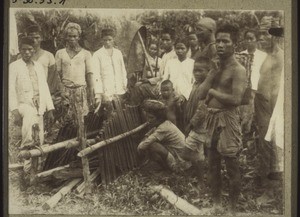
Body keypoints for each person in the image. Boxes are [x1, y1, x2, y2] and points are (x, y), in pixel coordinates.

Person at [202, 22, 246, 214]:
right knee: (212, 164)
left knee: (231, 166)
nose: (220, 45)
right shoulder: (216, 68)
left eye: (225, 41)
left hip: (228, 120)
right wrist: (211, 74)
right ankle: (217, 205)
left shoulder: (238, 70)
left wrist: (213, 91)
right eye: (218, 41)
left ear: (234, 44)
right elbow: (201, 95)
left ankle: (233, 210)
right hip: (211, 119)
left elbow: (236, 99)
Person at [9, 36, 55, 184]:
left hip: (38, 106)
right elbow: (10, 89)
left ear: (34, 50)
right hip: (24, 105)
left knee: (39, 138)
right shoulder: (14, 66)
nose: (27, 52)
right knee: (28, 134)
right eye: (24, 50)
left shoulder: (38, 66)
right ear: (20, 51)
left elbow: (45, 88)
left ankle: (37, 172)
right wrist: (15, 110)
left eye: (30, 49)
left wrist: (50, 108)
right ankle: (26, 170)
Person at [254, 19, 284, 202]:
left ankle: (271, 192)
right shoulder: (268, 55)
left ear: (275, 35)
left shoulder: (279, 57)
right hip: (262, 107)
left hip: (271, 110)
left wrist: (274, 119)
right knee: (264, 147)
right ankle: (266, 183)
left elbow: (278, 91)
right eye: (260, 35)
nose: (261, 39)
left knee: (271, 148)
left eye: (266, 34)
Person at [137, 100, 203, 173]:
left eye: (151, 118)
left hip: (182, 165)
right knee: (152, 143)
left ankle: (169, 169)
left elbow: (142, 146)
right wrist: (146, 136)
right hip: (185, 161)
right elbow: (150, 133)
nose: (148, 120)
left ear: (159, 118)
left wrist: (140, 152)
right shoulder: (165, 124)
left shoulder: (163, 129)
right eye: (148, 117)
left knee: (153, 145)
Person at [55, 22, 99, 126]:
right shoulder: (60, 53)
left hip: (81, 91)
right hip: (66, 91)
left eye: (74, 36)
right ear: (66, 37)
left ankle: (80, 139)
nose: (72, 39)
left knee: (81, 120)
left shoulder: (86, 54)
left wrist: (91, 92)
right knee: (66, 120)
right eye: (69, 36)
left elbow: (89, 74)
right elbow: (57, 74)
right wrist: (61, 90)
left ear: (78, 37)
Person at [238, 29, 267, 135]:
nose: (249, 41)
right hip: (244, 90)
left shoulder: (263, 56)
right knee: (244, 116)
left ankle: (253, 142)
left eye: (251, 38)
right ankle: (243, 139)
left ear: (256, 40)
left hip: (258, 90)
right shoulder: (240, 55)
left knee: (256, 117)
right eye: (247, 38)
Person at [93, 28, 128, 102]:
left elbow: (123, 70)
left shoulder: (118, 53)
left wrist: (124, 85)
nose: (107, 42)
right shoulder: (97, 54)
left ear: (113, 39)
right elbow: (96, 75)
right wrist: (99, 94)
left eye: (110, 39)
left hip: (120, 90)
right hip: (106, 91)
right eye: (105, 40)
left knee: (121, 110)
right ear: (102, 40)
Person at [26, 24, 61, 96]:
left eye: (37, 37)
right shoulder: (22, 56)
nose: (34, 40)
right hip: (26, 94)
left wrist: (48, 95)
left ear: (41, 38)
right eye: (31, 37)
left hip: (44, 94)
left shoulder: (49, 56)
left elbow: (53, 78)